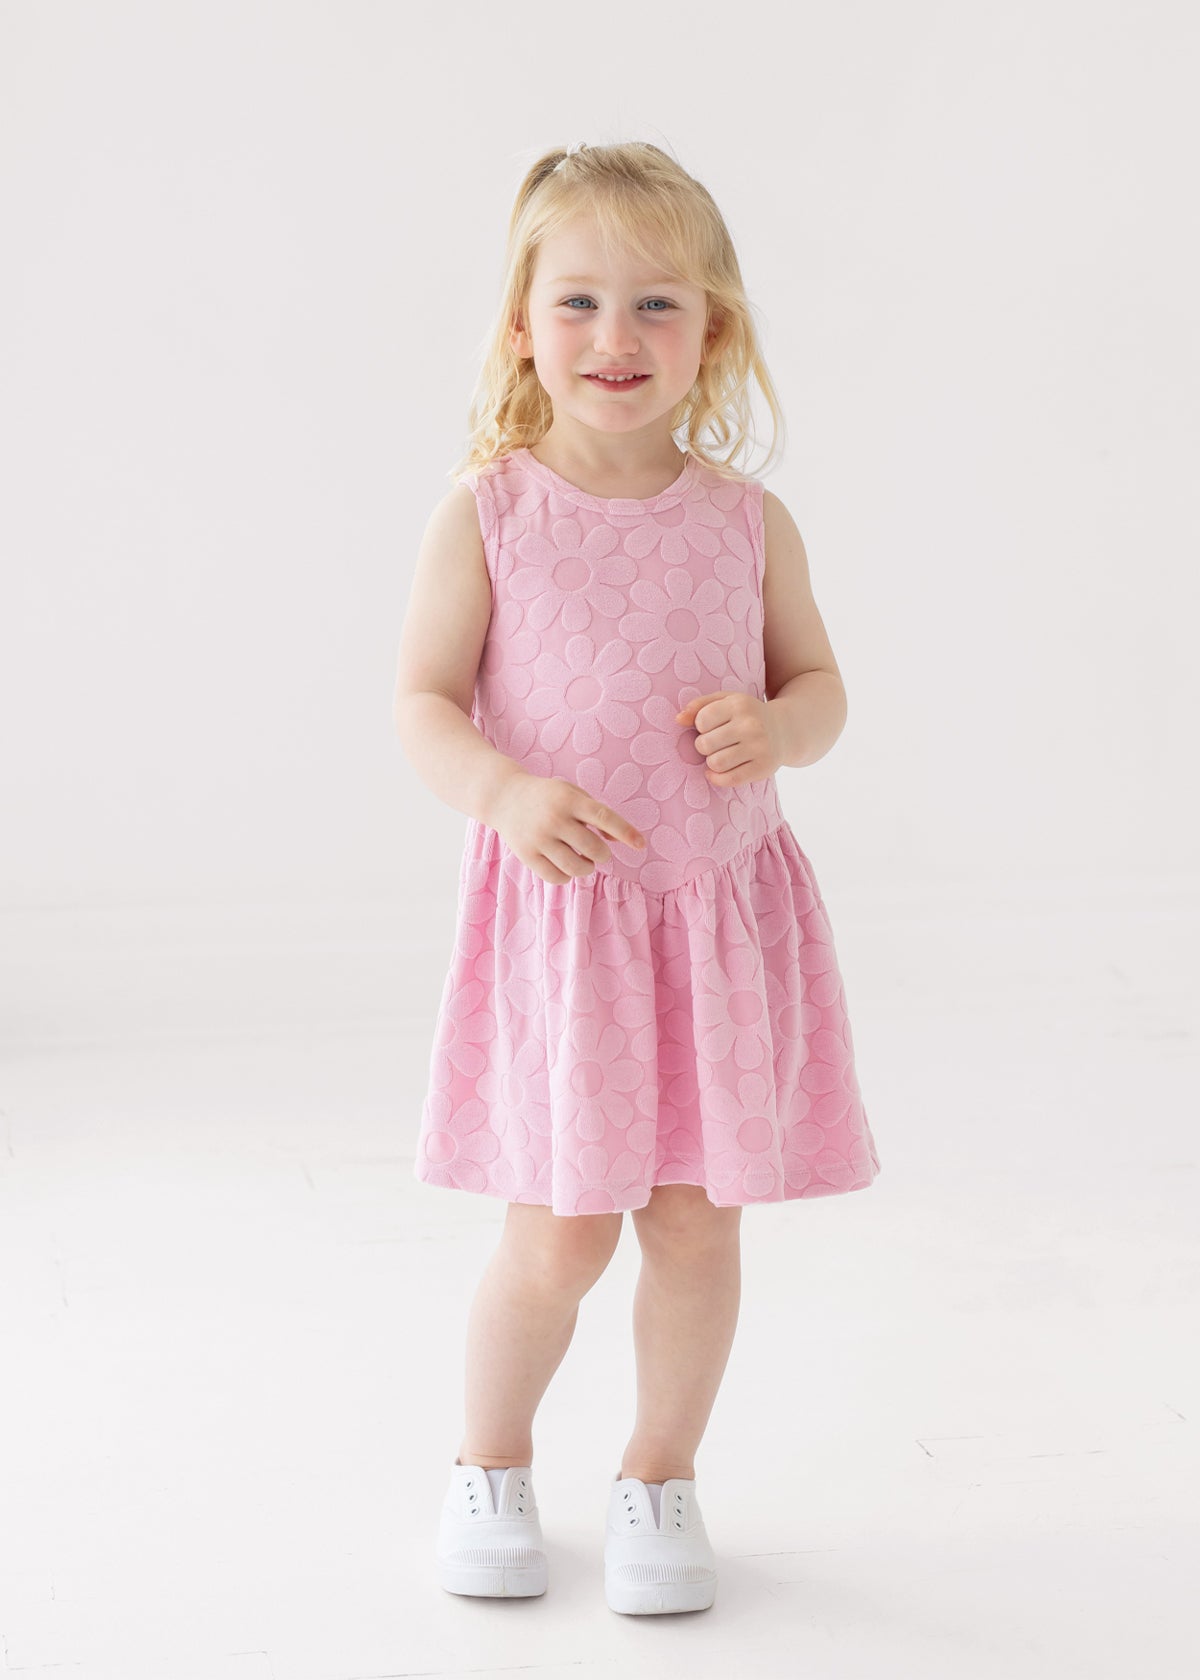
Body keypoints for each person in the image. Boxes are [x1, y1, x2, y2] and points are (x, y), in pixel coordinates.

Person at [392, 138, 883, 1617]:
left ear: (714, 333)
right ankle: (489, 1457)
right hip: (572, 930)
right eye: (583, 302)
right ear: (524, 328)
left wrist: (781, 724)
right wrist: (504, 790)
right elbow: (421, 700)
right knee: (556, 1235)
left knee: (693, 1222)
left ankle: (660, 1472)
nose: (619, 340)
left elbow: (823, 683)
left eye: (660, 306)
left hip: (715, 927)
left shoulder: (746, 521)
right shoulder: (489, 515)